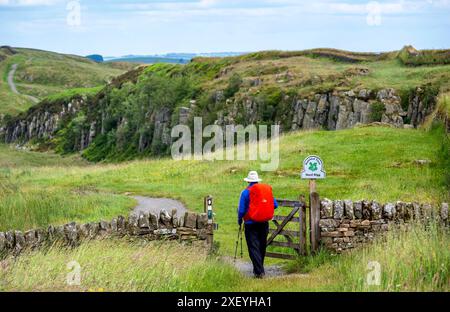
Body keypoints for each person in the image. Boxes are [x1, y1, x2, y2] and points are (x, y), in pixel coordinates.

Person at [238, 171, 278, 278]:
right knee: (261, 246)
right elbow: (275, 205)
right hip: (264, 222)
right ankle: (259, 270)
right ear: (257, 180)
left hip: (250, 223)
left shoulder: (245, 193)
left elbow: (241, 210)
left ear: (248, 181)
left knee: (253, 247)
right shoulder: (265, 191)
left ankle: (259, 272)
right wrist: (263, 210)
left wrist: (239, 220)